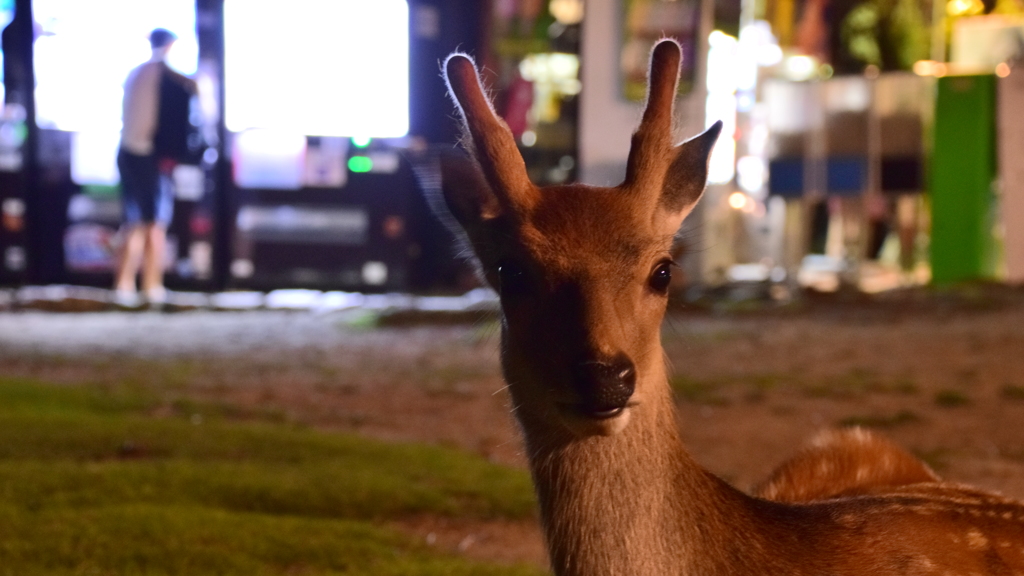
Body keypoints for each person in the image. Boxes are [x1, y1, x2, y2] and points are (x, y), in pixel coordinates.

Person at [113, 28, 197, 306]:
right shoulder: (165, 74)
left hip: (127, 151)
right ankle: (152, 285)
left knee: (133, 221)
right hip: (149, 154)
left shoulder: (136, 73)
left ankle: (124, 285)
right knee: (154, 224)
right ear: (170, 46)